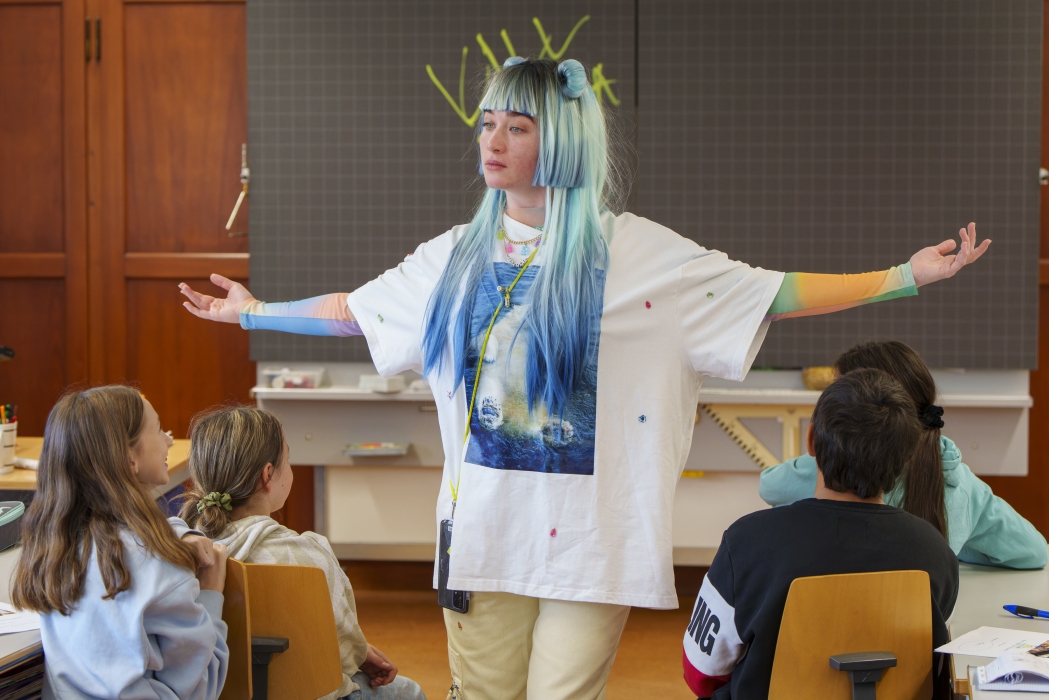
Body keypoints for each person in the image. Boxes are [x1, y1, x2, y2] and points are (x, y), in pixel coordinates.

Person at [179, 58, 988, 699]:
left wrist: (901, 277)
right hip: (480, 541)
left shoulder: (641, 256)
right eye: (487, 123)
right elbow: (355, 311)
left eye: (516, 126)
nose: (492, 140)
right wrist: (254, 313)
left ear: (560, 141)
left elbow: (770, 291)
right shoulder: (453, 257)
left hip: (593, 550)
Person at [683, 368, 959, 698]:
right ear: (907, 457)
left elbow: (701, 674)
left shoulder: (746, 542)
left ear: (811, 440)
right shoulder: (934, 551)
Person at [179, 405, 426, 700]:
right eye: (288, 459)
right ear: (267, 475)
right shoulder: (309, 559)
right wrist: (359, 650)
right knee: (410, 692)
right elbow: (342, 655)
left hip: (217, 692)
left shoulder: (184, 552)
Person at [12, 386, 230, 699]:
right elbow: (199, 689)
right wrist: (210, 593)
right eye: (158, 430)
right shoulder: (160, 567)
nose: (169, 440)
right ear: (129, 457)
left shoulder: (53, 547)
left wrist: (180, 532)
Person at [759, 340, 1047, 569]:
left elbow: (770, 485)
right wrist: (956, 546)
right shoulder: (959, 478)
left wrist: (824, 452)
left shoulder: (831, 469)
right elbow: (1033, 551)